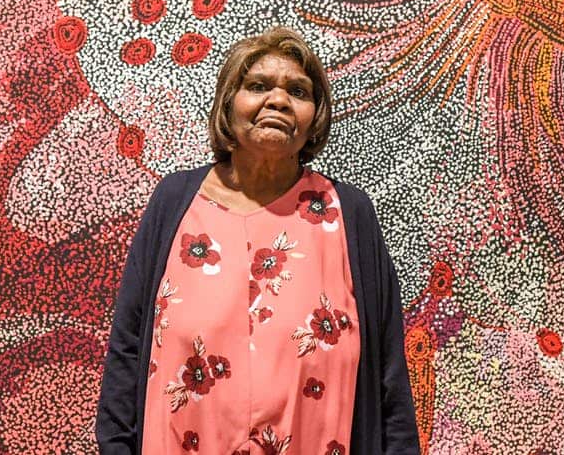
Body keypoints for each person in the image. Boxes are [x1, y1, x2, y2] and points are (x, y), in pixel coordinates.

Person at [96, 27, 420, 454]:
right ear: (229, 104)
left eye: (299, 92)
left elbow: (388, 370)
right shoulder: (175, 202)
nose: (280, 100)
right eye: (258, 86)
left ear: (314, 118)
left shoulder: (349, 213)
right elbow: (128, 345)